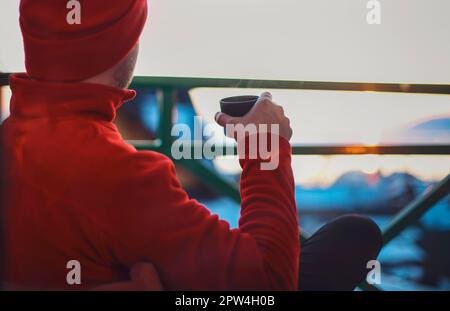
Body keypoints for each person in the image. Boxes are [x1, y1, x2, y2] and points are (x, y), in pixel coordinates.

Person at [1, 0, 381, 291]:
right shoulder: (115, 174)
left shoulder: (13, 138)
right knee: (354, 235)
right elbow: (267, 282)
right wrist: (266, 146)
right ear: (122, 43)